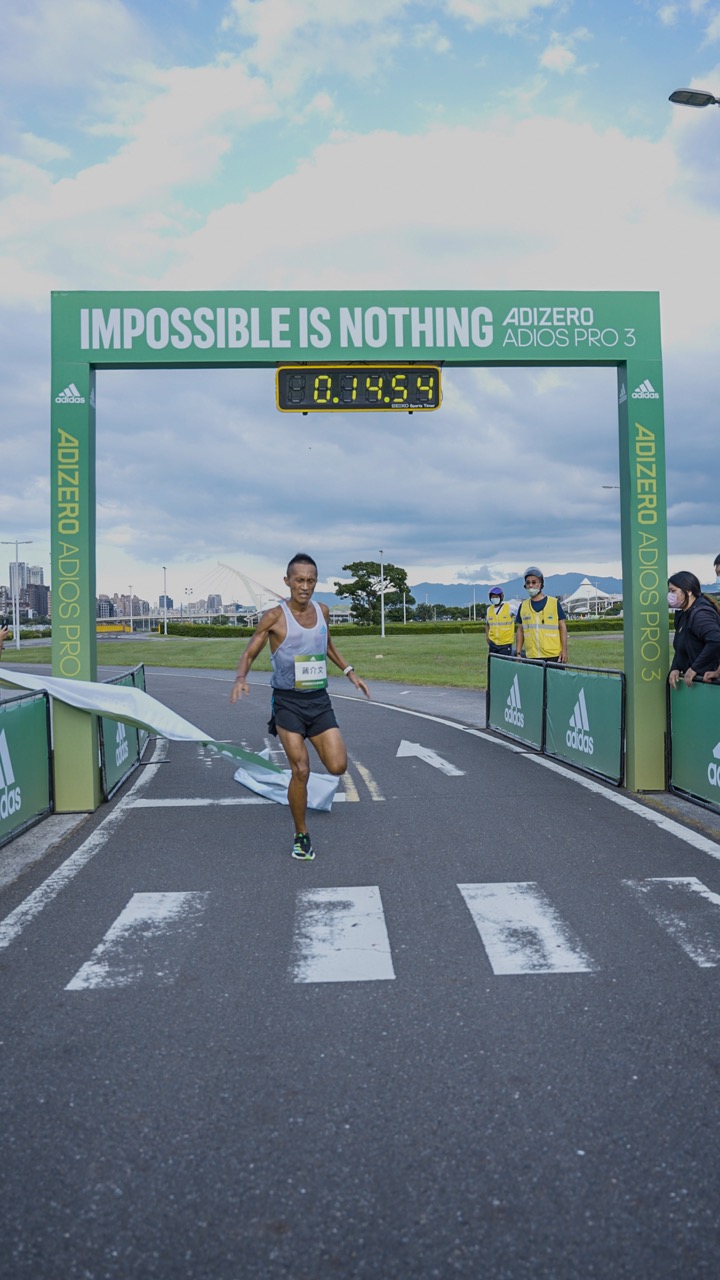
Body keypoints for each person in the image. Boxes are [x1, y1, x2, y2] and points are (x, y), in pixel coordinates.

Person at [230, 553, 370, 861]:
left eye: (310, 581)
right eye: (299, 580)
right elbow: (251, 649)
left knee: (337, 766)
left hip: (318, 701)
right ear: (287, 582)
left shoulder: (322, 611)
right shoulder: (274, 617)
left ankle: (294, 786)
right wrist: (241, 676)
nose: (304, 586)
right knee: (302, 769)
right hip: (288, 702)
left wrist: (350, 672)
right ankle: (301, 834)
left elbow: (327, 644)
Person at [666, 571, 720, 689]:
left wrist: (695, 668)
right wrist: (675, 667)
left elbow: (716, 641)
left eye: (673, 591)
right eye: (669, 591)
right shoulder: (683, 614)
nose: (670, 595)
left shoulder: (700, 615)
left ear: (689, 591)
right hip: (696, 684)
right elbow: (681, 646)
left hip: (708, 683)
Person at [514, 566, 568, 663]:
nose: (531, 585)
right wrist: (518, 653)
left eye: (534, 582)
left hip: (553, 655)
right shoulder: (523, 606)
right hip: (532, 655)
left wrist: (564, 650)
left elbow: (562, 627)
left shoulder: (554, 603)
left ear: (541, 584)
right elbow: (520, 630)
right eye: (528, 583)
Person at [485, 587, 515, 656]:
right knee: (492, 665)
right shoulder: (489, 609)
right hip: (493, 644)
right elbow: (487, 624)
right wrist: (487, 638)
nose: (494, 598)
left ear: (501, 597)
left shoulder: (510, 607)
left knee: (504, 665)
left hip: (505, 644)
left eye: (496, 596)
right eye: (492, 597)